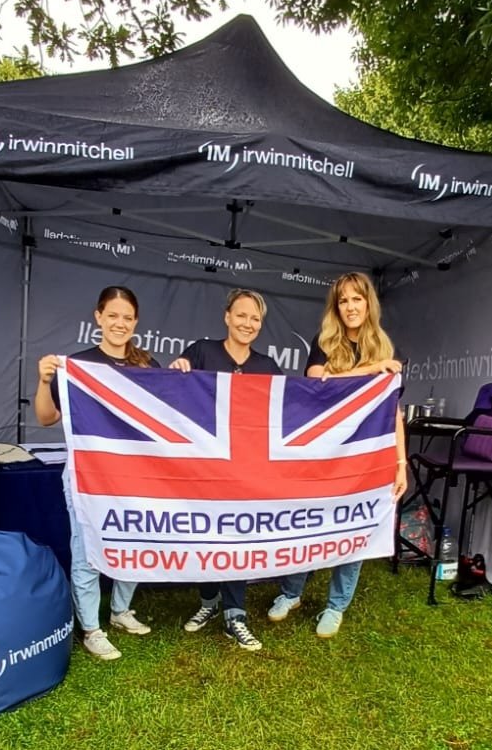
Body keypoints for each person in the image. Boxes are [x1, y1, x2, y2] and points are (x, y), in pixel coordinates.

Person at [267, 271, 407, 638]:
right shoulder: (325, 341)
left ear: (368, 303)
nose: (350, 307)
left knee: (354, 529)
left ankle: (336, 605)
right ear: (336, 306)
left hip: (363, 459)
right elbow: (317, 382)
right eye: (343, 300)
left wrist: (400, 464)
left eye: (356, 299)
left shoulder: (385, 346)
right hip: (320, 455)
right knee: (307, 526)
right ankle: (291, 593)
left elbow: (394, 413)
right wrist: (373, 370)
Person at [34, 285, 159, 661]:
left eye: (127, 317)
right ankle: (91, 628)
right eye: (113, 316)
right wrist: (43, 380)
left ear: (136, 322)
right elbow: (46, 419)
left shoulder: (147, 366)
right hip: (88, 475)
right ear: (99, 318)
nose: (120, 324)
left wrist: (181, 376)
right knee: (86, 548)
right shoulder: (77, 366)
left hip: (134, 475)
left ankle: (120, 612)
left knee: (134, 545)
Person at [170, 288, 281, 652]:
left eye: (255, 319)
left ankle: (235, 613)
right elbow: (174, 393)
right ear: (227, 317)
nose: (248, 323)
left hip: (246, 471)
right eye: (242, 315)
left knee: (238, 538)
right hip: (205, 468)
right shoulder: (202, 352)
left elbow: (288, 409)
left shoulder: (267, 366)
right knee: (205, 536)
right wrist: (179, 371)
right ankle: (208, 601)